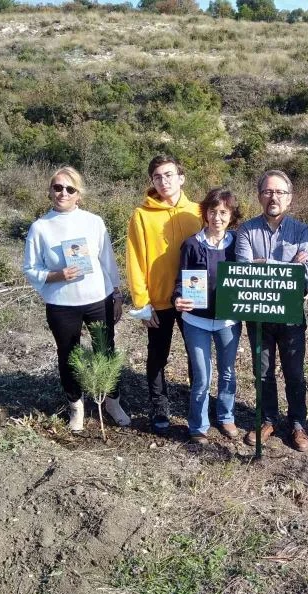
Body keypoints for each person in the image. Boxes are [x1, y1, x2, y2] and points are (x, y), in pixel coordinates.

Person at [23, 166, 130, 432]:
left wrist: (116, 293)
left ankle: (112, 403)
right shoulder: (40, 228)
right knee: (69, 355)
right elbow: (30, 269)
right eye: (58, 187)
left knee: (105, 351)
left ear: (78, 194)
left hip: (98, 299)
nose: (63, 193)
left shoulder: (94, 222)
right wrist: (57, 275)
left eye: (70, 189)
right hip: (62, 305)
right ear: (50, 191)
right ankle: (76, 407)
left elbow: (107, 261)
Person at [235, 169, 308, 451]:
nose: (274, 197)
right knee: (263, 371)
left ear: (289, 198)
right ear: (259, 196)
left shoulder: (303, 230)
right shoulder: (246, 230)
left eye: (280, 192)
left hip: (291, 316)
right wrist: (289, 264)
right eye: (268, 191)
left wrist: (264, 265)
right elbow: (245, 272)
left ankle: (297, 424)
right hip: (258, 315)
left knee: (295, 372)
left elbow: (304, 274)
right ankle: (267, 420)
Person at [126, 156, 202, 435]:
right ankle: (159, 406)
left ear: (181, 177)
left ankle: (198, 405)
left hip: (193, 299)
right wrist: (141, 303)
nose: (164, 181)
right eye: (157, 177)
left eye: (169, 175)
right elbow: (135, 260)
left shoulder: (197, 211)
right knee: (158, 356)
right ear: (152, 182)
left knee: (197, 355)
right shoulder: (142, 215)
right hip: (158, 301)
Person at [173, 188, 242, 445]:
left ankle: (225, 416)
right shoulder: (191, 244)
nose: (217, 217)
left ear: (231, 215)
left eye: (223, 212)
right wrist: (177, 298)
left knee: (227, 372)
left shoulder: (237, 243)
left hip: (228, 321)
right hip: (196, 322)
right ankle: (198, 424)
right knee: (202, 376)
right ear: (205, 213)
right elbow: (180, 281)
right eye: (212, 211)